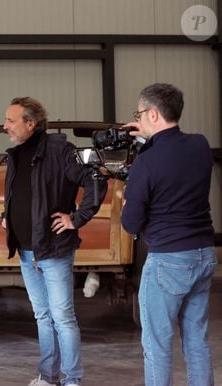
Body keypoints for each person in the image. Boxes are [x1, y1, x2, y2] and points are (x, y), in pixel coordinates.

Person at [1, 97, 107, 386]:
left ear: (30, 123)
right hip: (25, 252)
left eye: (11, 121)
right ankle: (48, 378)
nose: (5, 126)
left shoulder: (61, 151)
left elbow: (95, 179)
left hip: (54, 250)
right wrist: (6, 214)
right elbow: (19, 193)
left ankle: (72, 380)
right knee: (43, 317)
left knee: (62, 318)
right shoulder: (15, 154)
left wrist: (78, 217)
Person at [121, 83, 217, 386]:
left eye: (140, 113)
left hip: (168, 261)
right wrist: (149, 138)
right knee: (197, 341)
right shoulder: (200, 145)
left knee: (158, 346)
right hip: (204, 254)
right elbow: (172, 157)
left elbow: (130, 224)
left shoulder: (145, 164)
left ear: (152, 114)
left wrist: (128, 200)